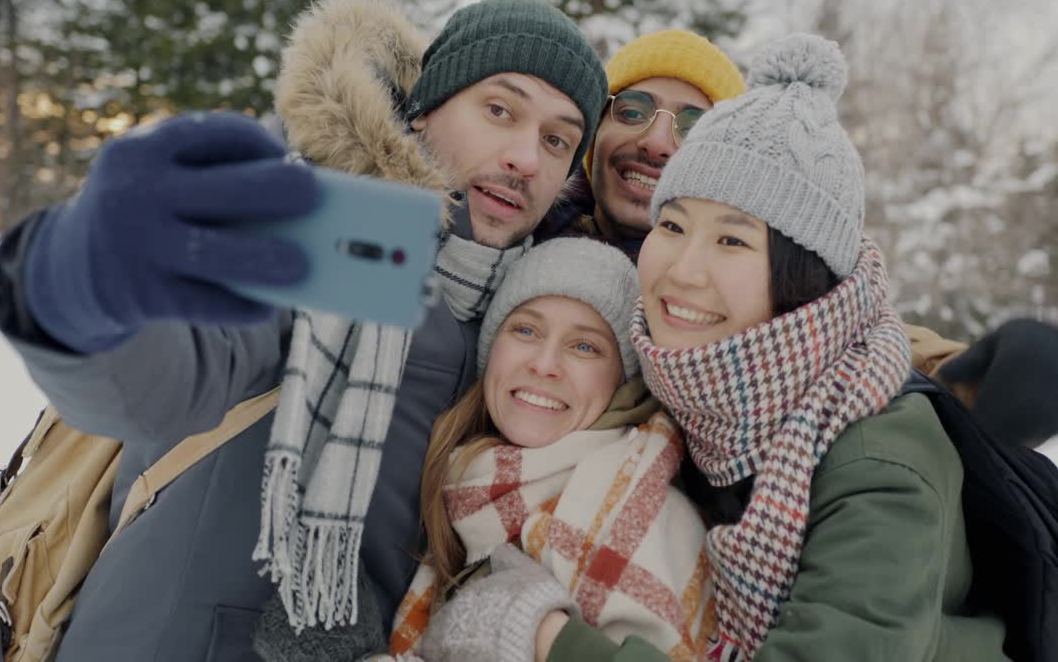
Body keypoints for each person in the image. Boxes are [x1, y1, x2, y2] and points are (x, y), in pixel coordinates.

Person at [0, 0, 607, 662]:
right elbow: (160, 378)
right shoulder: (325, 239)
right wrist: (79, 282)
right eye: (499, 110)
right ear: (425, 111)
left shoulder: (527, 322)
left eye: (556, 140)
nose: (524, 158)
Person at [419, 34, 1011, 662]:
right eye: (672, 226)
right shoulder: (703, 400)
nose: (684, 271)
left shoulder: (877, 454)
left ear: (802, 274)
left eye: (732, 242)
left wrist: (549, 639)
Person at [538, 28, 1058, 448]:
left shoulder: (750, 289)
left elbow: (838, 331)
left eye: (692, 124)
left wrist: (965, 375)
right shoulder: (529, 245)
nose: (656, 139)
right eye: (631, 109)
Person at [375, 238, 713, 662]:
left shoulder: (646, 515)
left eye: (585, 346)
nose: (544, 364)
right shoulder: (463, 489)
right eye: (526, 330)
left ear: (621, 382)